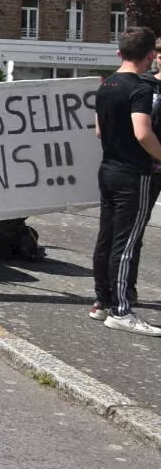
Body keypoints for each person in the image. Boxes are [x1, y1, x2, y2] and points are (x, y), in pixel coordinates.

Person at [91, 26, 161, 336]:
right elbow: (143, 132)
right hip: (135, 174)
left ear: (120, 52)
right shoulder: (140, 89)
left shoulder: (106, 84)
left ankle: (104, 302)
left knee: (106, 238)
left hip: (108, 169)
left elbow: (98, 131)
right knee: (127, 243)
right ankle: (122, 310)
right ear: (150, 56)